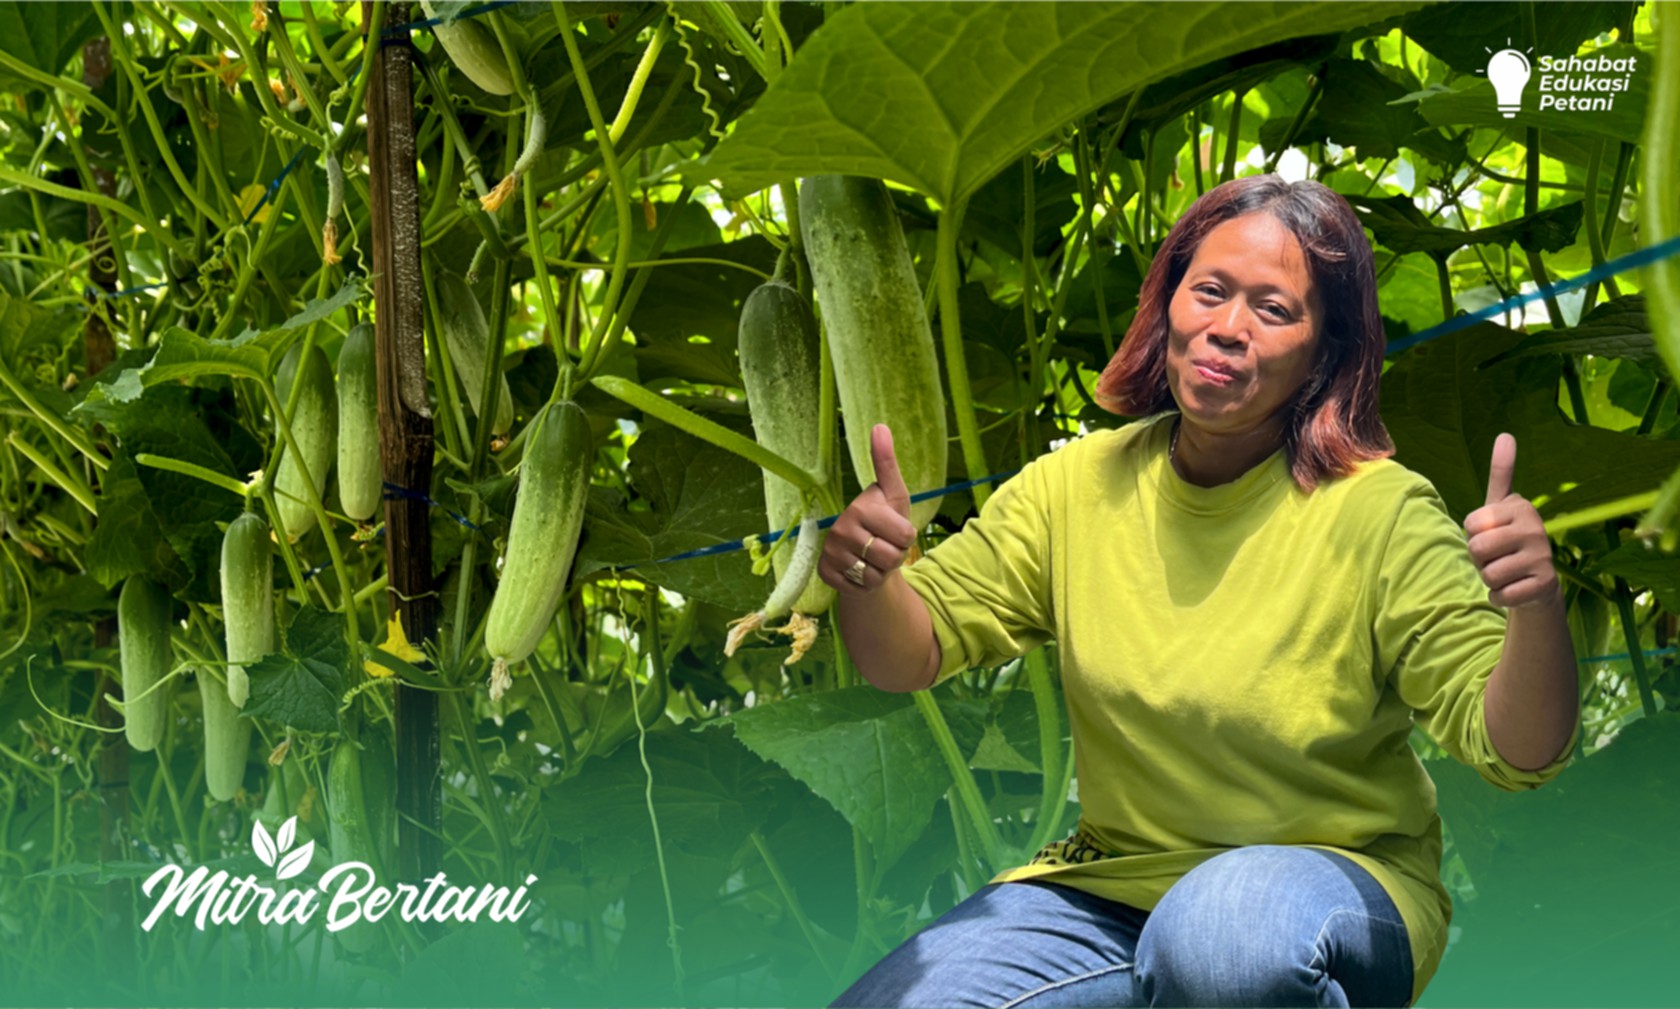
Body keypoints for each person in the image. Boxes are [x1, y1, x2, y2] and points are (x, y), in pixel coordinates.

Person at [816, 174, 1581, 1008]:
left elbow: (1519, 750)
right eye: (1209, 291)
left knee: (1221, 943)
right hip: (1113, 890)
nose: (1228, 327)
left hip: (1332, 887)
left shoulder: (1381, 513)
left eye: (1274, 309)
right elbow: (909, 653)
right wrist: (870, 576)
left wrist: (1535, 606)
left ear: (1326, 353)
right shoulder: (1077, 486)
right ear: (1167, 304)